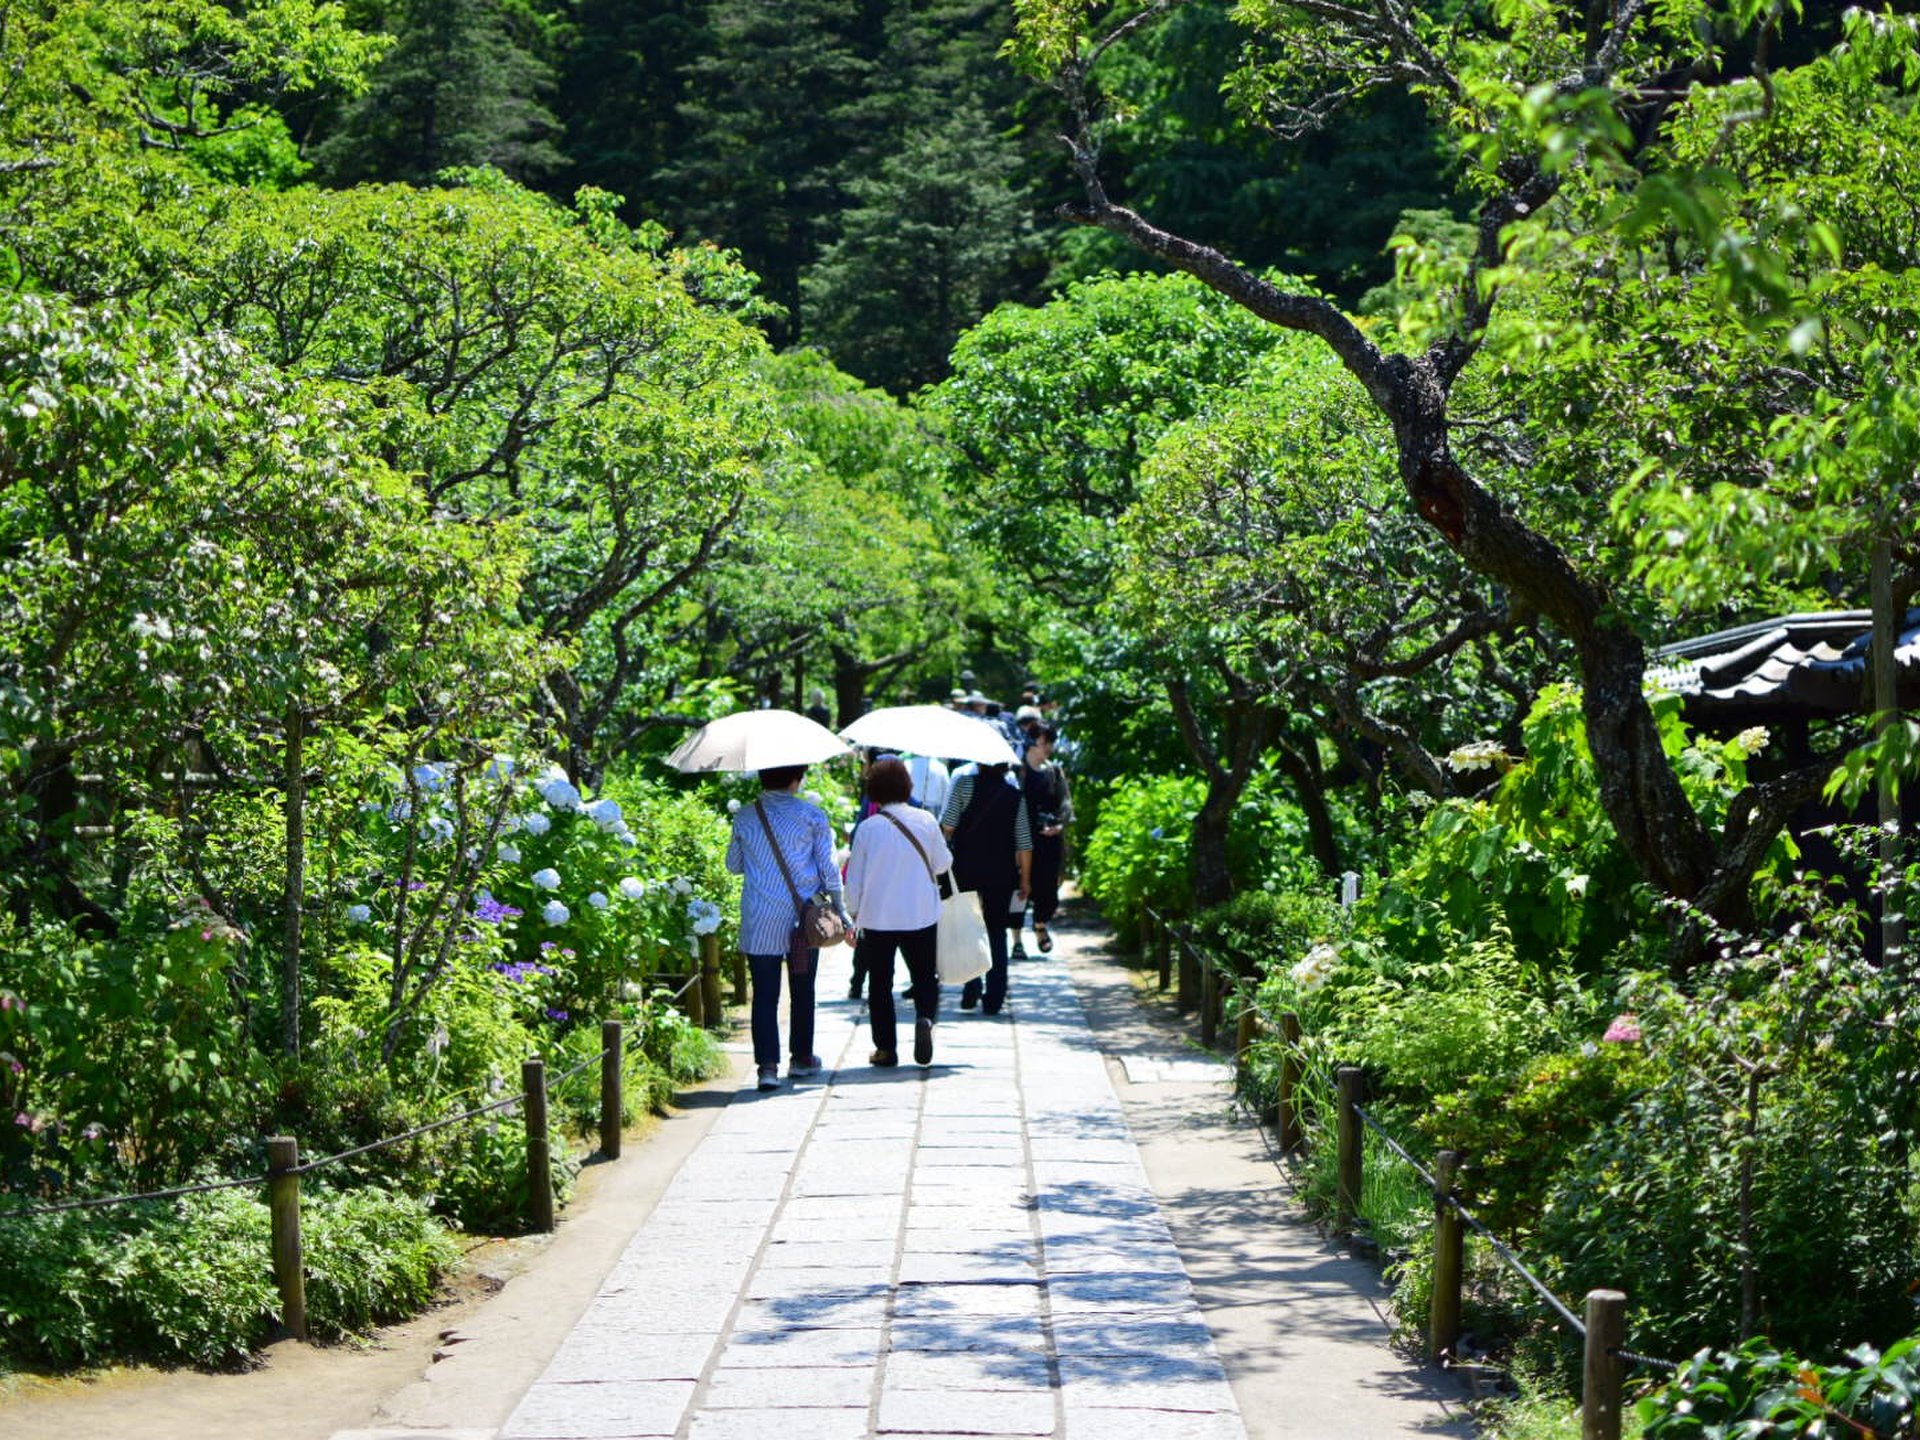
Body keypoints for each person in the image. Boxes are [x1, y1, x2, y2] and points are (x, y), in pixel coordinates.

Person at [727, 764, 847, 1091]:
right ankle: (801, 1059)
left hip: (760, 915)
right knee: (802, 989)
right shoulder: (813, 816)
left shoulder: (746, 817)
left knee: (764, 994)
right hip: (803, 918)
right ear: (796, 779)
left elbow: (733, 865)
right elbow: (829, 868)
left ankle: (767, 1067)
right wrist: (841, 910)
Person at [844, 758, 952, 1067]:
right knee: (924, 976)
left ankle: (886, 1049)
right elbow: (943, 864)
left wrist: (852, 915)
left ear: (874, 790)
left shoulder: (867, 828)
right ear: (907, 786)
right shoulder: (926, 820)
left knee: (880, 982)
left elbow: (855, 878)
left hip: (878, 917)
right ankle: (925, 1019)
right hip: (920, 912)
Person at [940, 762, 1032, 1015]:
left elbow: (948, 826)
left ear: (979, 762)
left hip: (966, 869)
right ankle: (995, 997)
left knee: (969, 929)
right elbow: (1024, 842)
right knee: (996, 931)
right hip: (1001, 873)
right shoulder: (1014, 796)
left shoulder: (963, 785)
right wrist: (1025, 880)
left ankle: (971, 988)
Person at [1015, 724, 1073, 955]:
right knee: (1018, 889)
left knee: (1048, 890)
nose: (1049, 747)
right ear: (1033, 741)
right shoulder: (1017, 771)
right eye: (1044, 742)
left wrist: (1059, 824)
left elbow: (1066, 803)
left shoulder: (1054, 772)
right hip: (1020, 839)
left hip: (1048, 841)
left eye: (1051, 742)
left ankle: (1040, 924)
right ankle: (1017, 940)